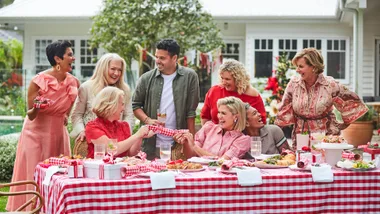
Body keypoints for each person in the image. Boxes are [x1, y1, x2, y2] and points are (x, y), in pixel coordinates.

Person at [6, 41, 79, 211]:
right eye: (69, 54)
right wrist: (37, 107)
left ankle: (55, 208)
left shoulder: (74, 82)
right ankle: (31, 208)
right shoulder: (38, 81)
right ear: (57, 59)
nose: (73, 58)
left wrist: (65, 115)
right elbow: (30, 115)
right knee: (34, 175)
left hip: (58, 134)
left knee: (59, 174)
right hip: (35, 134)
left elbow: (69, 105)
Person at [275, 48, 368, 150]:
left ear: (313, 67)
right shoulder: (293, 84)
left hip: (326, 138)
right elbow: (283, 111)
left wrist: (344, 123)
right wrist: (274, 133)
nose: (297, 70)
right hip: (301, 136)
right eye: (297, 66)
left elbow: (351, 103)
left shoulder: (330, 84)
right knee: (303, 163)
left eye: (301, 66)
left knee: (326, 164)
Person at [132, 39, 200, 160]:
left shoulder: (190, 77)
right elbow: (136, 105)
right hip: (151, 144)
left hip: (178, 144)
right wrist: (147, 120)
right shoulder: (146, 78)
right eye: (157, 57)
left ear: (174, 58)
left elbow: (191, 112)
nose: (157, 61)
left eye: (162, 58)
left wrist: (190, 143)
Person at [70, 53, 134, 145]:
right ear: (102, 68)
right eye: (113, 69)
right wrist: (81, 131)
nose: (116, 73)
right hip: (91, 142)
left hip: (117, 143)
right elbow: (76, 115)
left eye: (119, 70)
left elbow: (129, 115)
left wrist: (125, 134)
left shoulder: (125, 89)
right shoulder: (86, 87)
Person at [85, 87, 155, 158]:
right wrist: (137, 135)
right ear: (111, 105)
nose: (123, 109)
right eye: (122, 104)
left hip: (120, 168)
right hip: (99, 168)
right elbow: (112, 149)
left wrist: (140, 136)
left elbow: (131, 153)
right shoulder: (92, 127)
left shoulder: (123, 126)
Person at [175, 96, 250, 160]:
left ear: (235, 117)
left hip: (223, 176)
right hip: (199, 173)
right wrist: (186, 143)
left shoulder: (242, 140)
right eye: (219, 112)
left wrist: (194, 146)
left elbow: (222, 161)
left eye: (223, 113)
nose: (219, 116)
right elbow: (190, 157)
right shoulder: (208, 128)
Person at [201, 59, 266, 125]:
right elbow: (205, 116)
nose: (223, 82)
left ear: (238, 79)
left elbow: (262, 121)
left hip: (244, 134)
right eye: (222, 78)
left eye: (227, 79)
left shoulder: (252, 94)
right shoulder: (214, 91)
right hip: (216, 134)